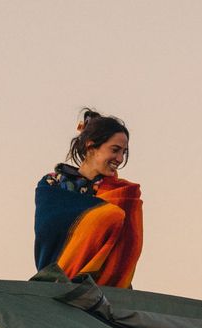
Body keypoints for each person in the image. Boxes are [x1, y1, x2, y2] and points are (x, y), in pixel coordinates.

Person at [34, 109, 143, 287]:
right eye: (115, 150)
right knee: (110, 215)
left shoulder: (124, 193)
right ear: (91, 146)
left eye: (124, 152)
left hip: (108, 292)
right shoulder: (52, 184)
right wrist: (95, 220)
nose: (120, 158)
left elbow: (130, 246)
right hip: (57, 283)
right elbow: (47, 232)